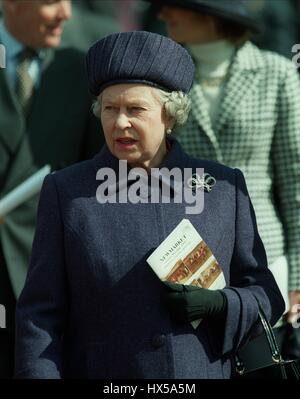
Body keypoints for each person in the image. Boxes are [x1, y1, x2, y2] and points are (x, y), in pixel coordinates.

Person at [15, 30, 284, 379]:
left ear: (169, 115)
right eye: (110, 109)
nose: (120, 122)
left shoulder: (222, 188)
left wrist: (223, 305)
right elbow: (39, 315)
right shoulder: (67, 192)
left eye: (135, 109)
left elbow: (266, 295)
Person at [151, 0, 300, 344]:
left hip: (264, 256)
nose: (162, 14)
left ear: (211, 15)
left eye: (176, 6)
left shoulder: (277, 73)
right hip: (185, 256)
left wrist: (297, 280)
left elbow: (295, 186)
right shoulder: (162, 76)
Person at [0, 0, 104, 378]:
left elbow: (99, 174)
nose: (66, 13)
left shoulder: (81, 69)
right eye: (50, 2)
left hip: (48, 281)